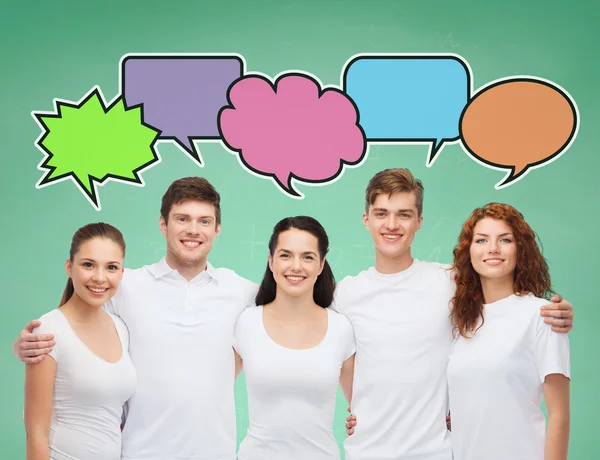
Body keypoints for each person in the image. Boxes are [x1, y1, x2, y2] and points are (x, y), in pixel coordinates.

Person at [16, 178, 257, 460]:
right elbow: (75, 330)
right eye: (182, 218)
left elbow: (293, 316)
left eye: (204, 221)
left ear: (217, 230)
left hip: (216, 453)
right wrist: (24, 344)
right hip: (138, 453)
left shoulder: (242, 291)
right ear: (163, 224)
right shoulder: (125, 285)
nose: (193, 230)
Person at [340, 169, 573, 460]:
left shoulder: (450, 282)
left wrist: (558, 310)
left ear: (419, 221)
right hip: (367, 453)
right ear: (366, 219)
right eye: (381, 213)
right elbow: (318, 339)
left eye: (404, 214)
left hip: (437, 452)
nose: (392, 224)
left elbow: (501, 294)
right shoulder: (344, 295)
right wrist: (361, 406)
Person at [446, 203, 570, 460]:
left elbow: (559, 415)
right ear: (469, 251)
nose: (493, 248)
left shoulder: (543, 315)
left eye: (505, 239)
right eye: (481, 240)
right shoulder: (461, 322)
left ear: (520, 249)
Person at [233, 216, 355, 460]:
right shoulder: (246, 323)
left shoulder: (341, 328)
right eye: (285, 255)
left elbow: (364, 404)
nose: (296, 266)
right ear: (271, 261)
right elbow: (214, 390)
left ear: (321, 265)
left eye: (307, 257)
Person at [24, 222, 137, 460]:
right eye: (88, 264)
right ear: (69, 266)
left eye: (111, 267)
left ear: (122, 273)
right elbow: (36, 433)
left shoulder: (121, 328)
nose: (99, 277)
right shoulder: (49, 330)